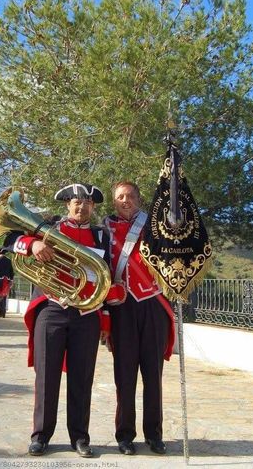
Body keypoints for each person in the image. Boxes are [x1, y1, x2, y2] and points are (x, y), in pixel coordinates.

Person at [4, 183, 110, 458]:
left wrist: (106, 320)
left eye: (87, 202)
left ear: (94, 207)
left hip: (87, 314)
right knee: (46, 376)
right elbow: (8, 241)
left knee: (82, 378)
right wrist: (33, 244)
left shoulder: (101, 236)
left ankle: (80, 437)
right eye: (76, 201)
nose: (81, 206)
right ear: (67, 204)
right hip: (52, 308)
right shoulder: (49, 226)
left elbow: (111, 278)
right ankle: (40, 435)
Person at [103, 182, 175, 456]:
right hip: (121, 307)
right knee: (124, 375)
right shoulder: (104, 230)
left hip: (152, 303)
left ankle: (154, 434)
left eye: (131, 196)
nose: (126, 200)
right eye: (120, 197)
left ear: (139, 199)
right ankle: (124, 435)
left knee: (153, 375)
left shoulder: (155, 225)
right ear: (114, 202)